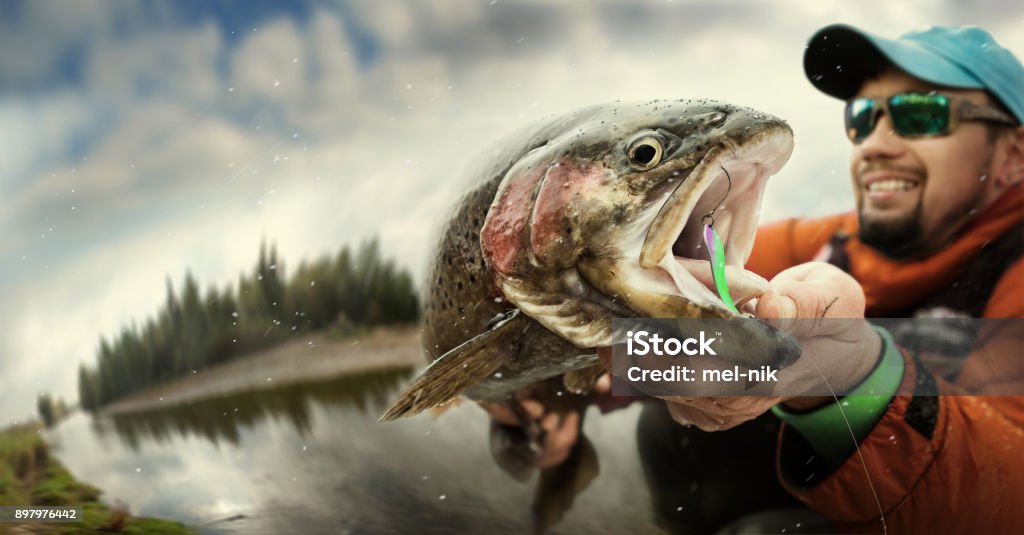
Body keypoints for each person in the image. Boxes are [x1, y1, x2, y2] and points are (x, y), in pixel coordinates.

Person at [485, 23, 1024, 533]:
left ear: (1014, 155)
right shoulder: (829, 241)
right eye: (862, 116)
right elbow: (634, 291)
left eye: (919, 114)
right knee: (673, 430)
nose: (874, 143)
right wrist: (545, 397)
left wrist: (859, 378)